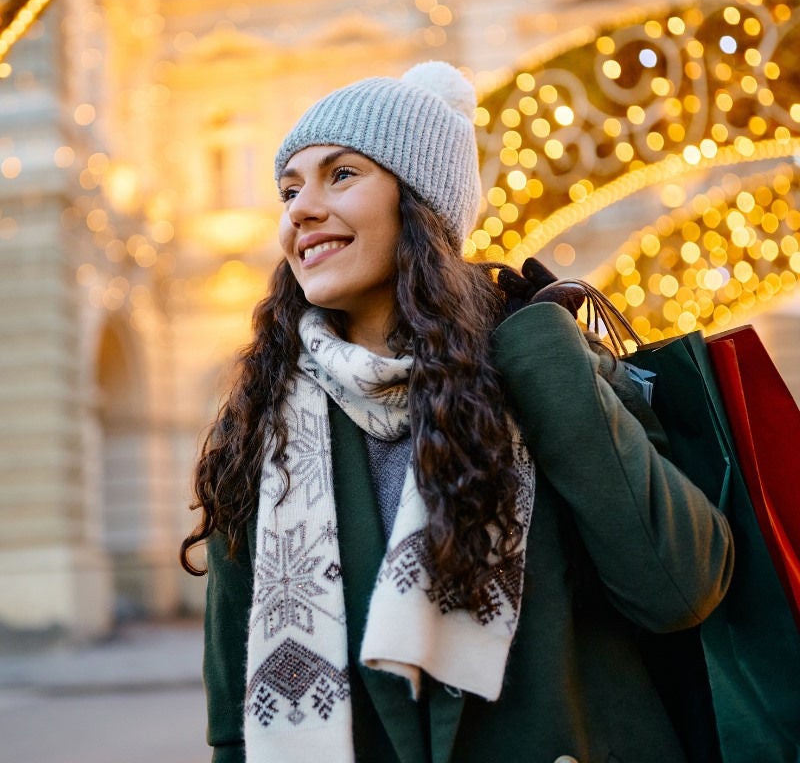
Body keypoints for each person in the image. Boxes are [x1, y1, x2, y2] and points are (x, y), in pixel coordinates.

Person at [180, 61, 734, 763]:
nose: (300, 210)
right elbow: (237, 726)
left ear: (420, 203)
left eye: (341, 175)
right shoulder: (262, 426)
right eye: (290, 190)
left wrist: (546, 355)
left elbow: (677, 589)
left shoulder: (538, 364)